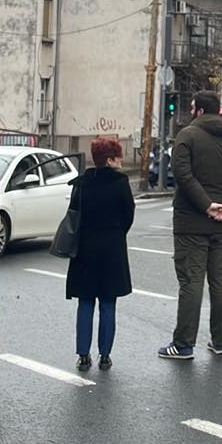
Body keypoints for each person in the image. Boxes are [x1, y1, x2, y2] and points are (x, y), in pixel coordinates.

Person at [161, 91, 222, 360]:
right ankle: (220, 340)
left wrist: (206, 205)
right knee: (221, 281)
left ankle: (184, 344)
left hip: (191, 223)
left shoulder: (187, 136)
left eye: (191, 107)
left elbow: (182, 174)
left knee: (191, 282)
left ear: (200, 110)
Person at [67, 137, 135, 371]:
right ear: (109, 160)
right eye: (118, 157)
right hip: (112, 248)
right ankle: (105, 355)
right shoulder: (120, 183)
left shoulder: (82, 183)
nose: (121, 161)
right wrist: (116, 232)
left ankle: (83, 355)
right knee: (108, 302)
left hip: (85, 248)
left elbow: (73, 213)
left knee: (85, 302)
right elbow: (128, 215)